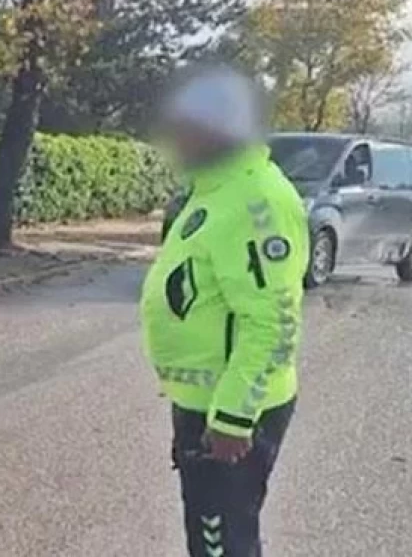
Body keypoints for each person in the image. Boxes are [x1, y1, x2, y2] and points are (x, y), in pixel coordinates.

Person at [140, 67, 309, 557]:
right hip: (204, 402)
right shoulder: (213, 188)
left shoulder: (257, 200)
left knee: (224, 543)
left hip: (233, 410)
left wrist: (235, 417)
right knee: (208, 536)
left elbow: (273, 320)